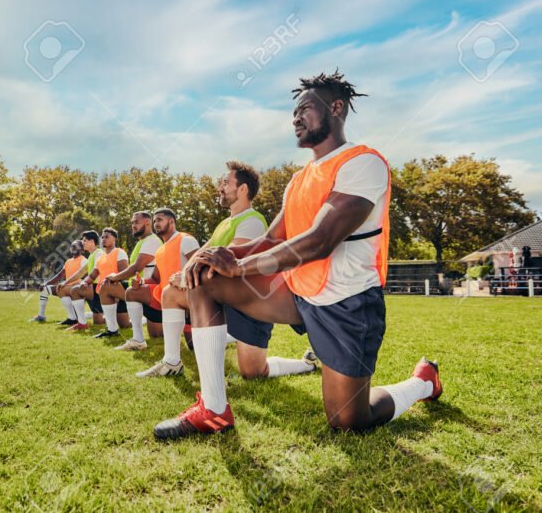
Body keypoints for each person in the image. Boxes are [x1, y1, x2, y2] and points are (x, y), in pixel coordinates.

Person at [153, 70, 442, 440]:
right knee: (204, 279)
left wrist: (240, 265)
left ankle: (423, 382)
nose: (295, 118)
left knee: (349, 420)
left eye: (305, 109)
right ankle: (213, 410)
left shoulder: (362, 163)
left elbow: (320, 240)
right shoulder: (298, 180)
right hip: (296, 293)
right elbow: (271, 240)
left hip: (347, 302)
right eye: (294, 112)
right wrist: (210, 256)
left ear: (336, 108)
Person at [139, 161, 318, 378]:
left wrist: (187, 278)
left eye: (225, 183)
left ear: (242, 189)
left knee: (253, 372)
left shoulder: (252, 221)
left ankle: (306, 364)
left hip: (249, 304)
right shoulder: (223, 224)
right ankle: (171, 362)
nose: (220, 188)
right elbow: (201, 254)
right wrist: (184, 273)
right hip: (222, 297)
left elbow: (227, 263)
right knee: (170, 293)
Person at [115, 208, 199, 351]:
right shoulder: (160, 250)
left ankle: (229, 335)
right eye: (154, 221)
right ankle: (138, 340)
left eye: (159, 220)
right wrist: (141, 282)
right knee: (132, 292)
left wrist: (184, 278)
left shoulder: (186, 240)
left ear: (171, 221)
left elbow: (201, 266)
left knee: (193, 345)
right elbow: (155, 278)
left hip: (186, 299)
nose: (156, 224)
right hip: (164, 298)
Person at [95, 211, 163, 339]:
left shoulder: (152, 241)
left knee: (157, 335)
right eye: (132, 223)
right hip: (137, 287)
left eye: (136, 222)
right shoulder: (143, 242)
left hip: (150, 291)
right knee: (106, 286)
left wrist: (115, 277)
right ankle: (112, 330)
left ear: (147, 223)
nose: (133, 225)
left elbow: (136, 267)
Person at [69, 228, 129, 332]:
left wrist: (115, 292)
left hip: (119, 290)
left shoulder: (119, 252)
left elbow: (124, 274)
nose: (104, 239)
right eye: (102, 237)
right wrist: (84, 282)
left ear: (114, 239)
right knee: (111, 322)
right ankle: (107, 326)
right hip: (104, 292)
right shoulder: (101, 258)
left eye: (107, 237)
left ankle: (143, 320)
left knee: (124, 325)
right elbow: (92, 275)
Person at [29, 239, 86, 324]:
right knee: (44, 289)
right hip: (65, 287)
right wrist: (46, 283)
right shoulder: (68, 261)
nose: (73, 247)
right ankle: (41, 316)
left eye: (75, 246)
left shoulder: (84, 260)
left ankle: (73, 318)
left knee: (79, 314)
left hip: (76, 290)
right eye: (72, 246)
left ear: (82, 249)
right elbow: (59, 275)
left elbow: (86, 276)